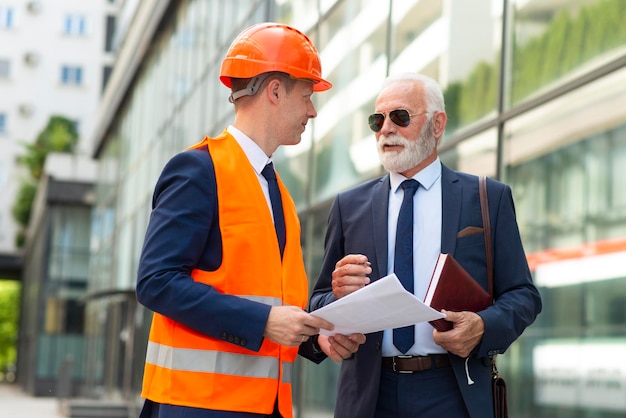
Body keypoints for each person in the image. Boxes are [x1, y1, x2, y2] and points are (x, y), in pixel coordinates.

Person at [135, 22, 366, 418]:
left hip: (265, 408)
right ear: (275, 91)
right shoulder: (198, 170)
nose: (312, 110)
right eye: (307, 96)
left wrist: (317, 340)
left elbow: (279, 306)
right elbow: (156, 282)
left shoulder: (281, 195)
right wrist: (263, 321)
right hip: (197, 407)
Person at [309, 72, 542, 418]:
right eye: (377, 120)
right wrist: (335, 304)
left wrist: (482, 327)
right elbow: (317, 300)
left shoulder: (488, 198)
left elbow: (524, 295)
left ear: (437, 124)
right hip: (370, 395)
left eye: (400, 117)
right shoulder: (349, 206)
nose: (386, 129)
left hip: (453, 390)